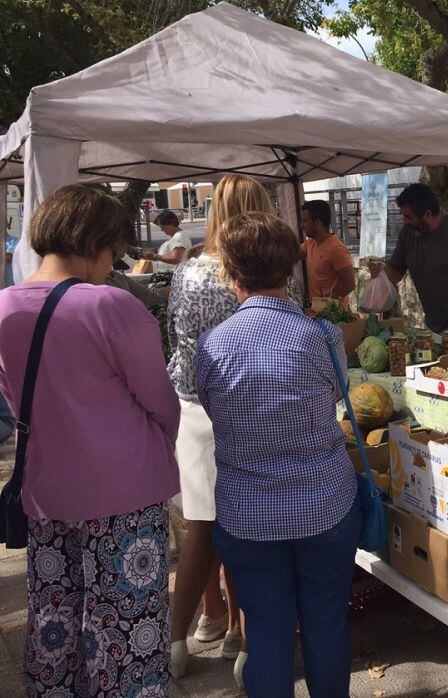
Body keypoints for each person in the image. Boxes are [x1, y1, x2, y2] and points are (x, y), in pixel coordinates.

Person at [0, 185, 180, 696]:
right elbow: (161, 402)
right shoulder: (109, 307)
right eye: (113, 253)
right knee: (124, 630)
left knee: (55, 619)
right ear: (97, 243)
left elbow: (14, 401)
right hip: (124, 492)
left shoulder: (3, 306)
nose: (112, 264)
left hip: (45, 489)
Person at [197, 211, 361, 698]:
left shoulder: (213, 346)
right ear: (292, 267)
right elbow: (338, 394)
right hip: (325, 507)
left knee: (266, 635)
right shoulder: (322, 337)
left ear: (230, 273)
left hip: (247, 517)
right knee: (326, 626)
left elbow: (213, 409)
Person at [167, 175, 302, 683]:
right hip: (245, 409)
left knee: (201, 529)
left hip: (192, 408)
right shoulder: (243, 275)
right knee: (250, 528)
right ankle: (244, 643)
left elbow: (179, 341)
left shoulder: (187, 271)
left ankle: (182, 638)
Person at [369, 183, 448, 341]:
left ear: (427, 214)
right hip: (433, 328)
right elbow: (395, 271)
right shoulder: (407, 234)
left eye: (409, 217)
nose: (405, 221)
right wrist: (381, 273)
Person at [300, 199, 356, 303]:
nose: (301, 226)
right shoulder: (310, 243)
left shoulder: (336, 249)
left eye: (305, 221)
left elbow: (349, 285)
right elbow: (291, 254)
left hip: (333, 315)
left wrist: (327, 302)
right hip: (317, 311)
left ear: (317, 223)